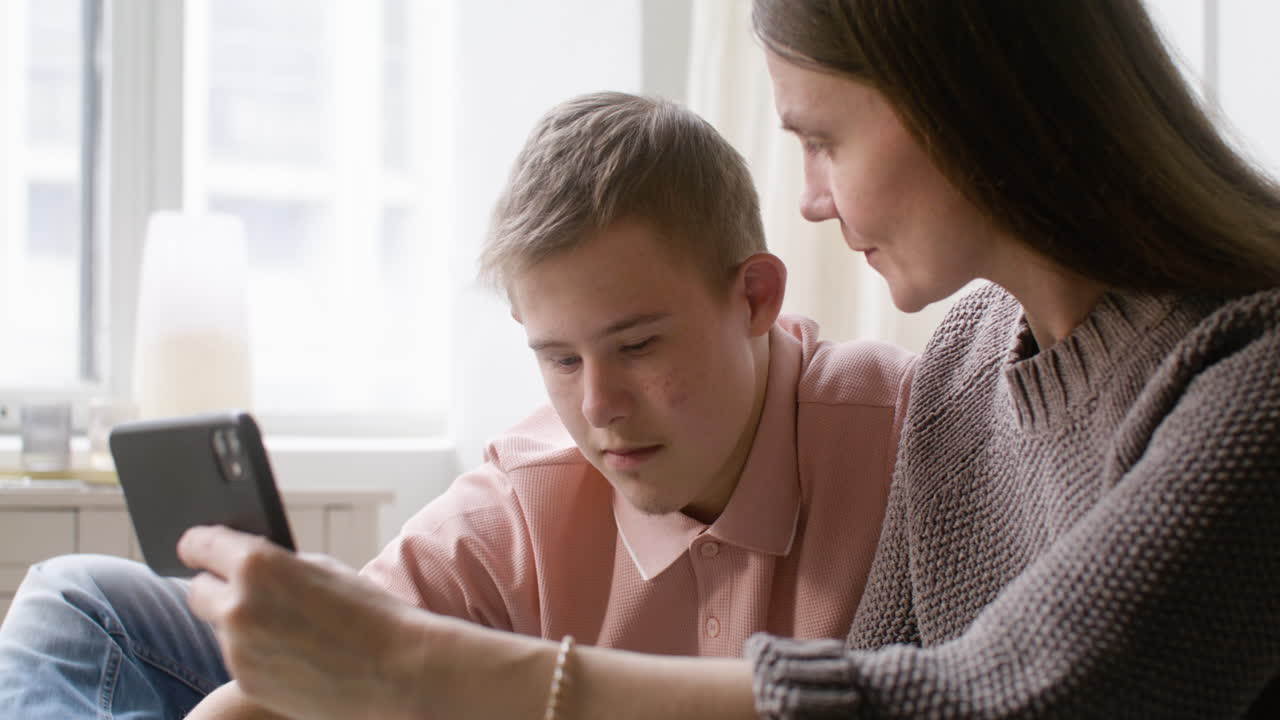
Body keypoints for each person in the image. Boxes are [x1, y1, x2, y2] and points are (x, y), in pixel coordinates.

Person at [75, 0, 1280, 718]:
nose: (806, 200)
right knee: (89, 610)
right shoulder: (965, 359)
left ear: (969, 95)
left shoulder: (1250, 371)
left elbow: (994, 700)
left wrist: (424, 675)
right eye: (556, 358)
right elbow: (878, 674)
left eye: (819, 140)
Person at [0, 92, 917, 718]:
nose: (598, 406)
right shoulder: (525, 491)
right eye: (557, 358)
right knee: (76, 598)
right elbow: (286, 689)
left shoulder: (905, 429)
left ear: (755, 297)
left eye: (637, 346)